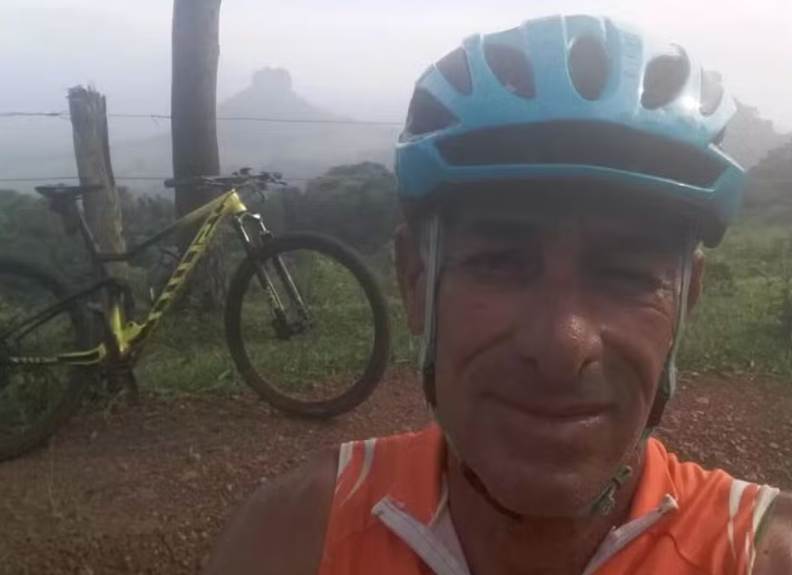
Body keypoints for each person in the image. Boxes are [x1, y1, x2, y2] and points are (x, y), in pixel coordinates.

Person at [206, 14, 792, 575]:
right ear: (415, 281)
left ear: (686, 303)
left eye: (627, 275)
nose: (562, 348)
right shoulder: (295, 539)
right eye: (499, 262)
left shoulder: (765, 555)